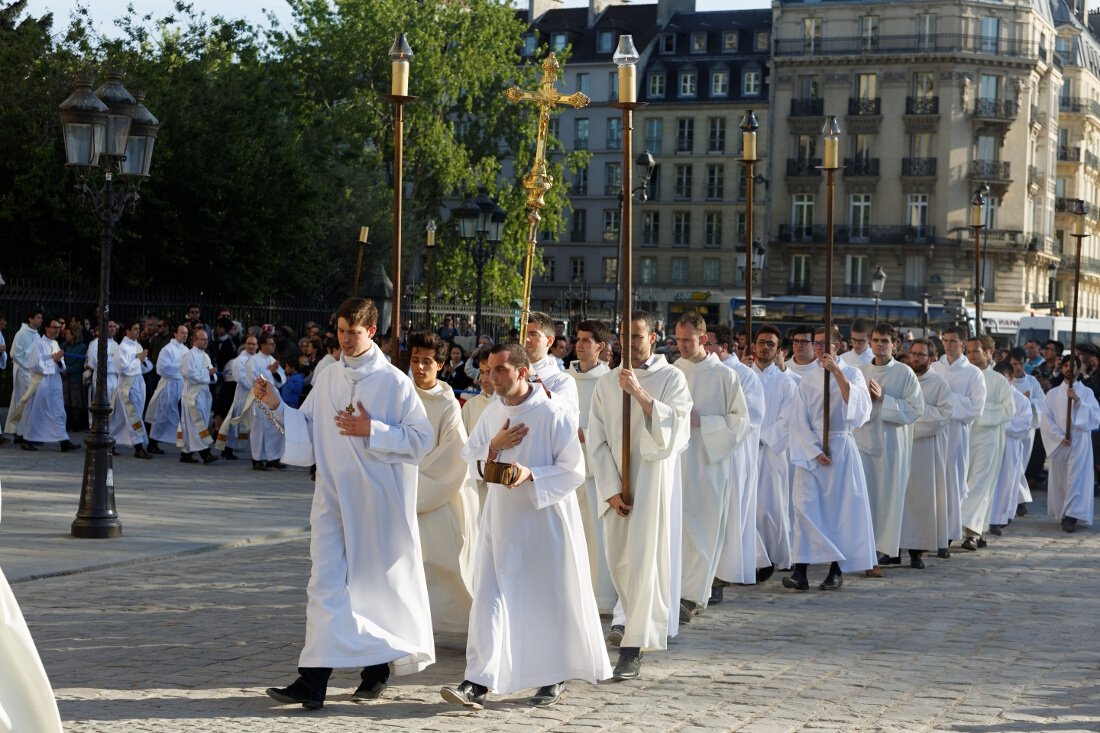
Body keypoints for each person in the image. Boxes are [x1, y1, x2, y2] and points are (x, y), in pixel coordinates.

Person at [256, 297, 435, 709]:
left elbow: (422, 440)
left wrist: (375, 429)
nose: (345, 340)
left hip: (377, 504)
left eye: (353, 332)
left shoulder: (394, 383)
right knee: (325, 586)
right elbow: (307, 425)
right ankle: (312, 681)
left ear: (372, 332)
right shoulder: (330, 376)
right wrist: (273, 403)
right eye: (340, 331)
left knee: (373, 591)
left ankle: (376, 671)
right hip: (333, 498)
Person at [440, 342, 608, 710]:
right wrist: (495, 448)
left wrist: (531, 474)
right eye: (488, 370)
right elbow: (472, 463)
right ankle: (477, 681)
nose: (491, 377)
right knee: (490, 597)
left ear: (522, 371)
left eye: (499, 370)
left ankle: (552, 674)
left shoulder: (554, 413)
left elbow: (574, 470)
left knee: (544, 596)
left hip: (544, 520)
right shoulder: (490, 412)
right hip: (501, 519)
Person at [587, 311, 691, 680]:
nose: (630, 342)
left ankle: (633, 647)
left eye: (637, 335)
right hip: (618, 488)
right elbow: (596, 440)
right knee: (620, 563)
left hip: (651, 482)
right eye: (624, 335)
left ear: (653, 337)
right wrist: (611, 489)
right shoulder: (605, 384)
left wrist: (641, 395)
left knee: (645, 563)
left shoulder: (671, 378)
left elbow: (677, 431)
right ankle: (632, 628)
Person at [783, 326, 876, 591]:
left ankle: (836, 569)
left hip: (840, 446)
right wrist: (813, 449)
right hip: (813, 450)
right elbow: (797, 420)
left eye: (826, 344)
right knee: (805, 508)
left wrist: (836, 372)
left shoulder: (852, 373)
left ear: (839, 346)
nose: (821, 348)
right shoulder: (808, 379)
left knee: (839, 512)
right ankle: (800, 571)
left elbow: (858, 407)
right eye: (818, 344)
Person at [672, 313, 749, 622]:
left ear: (703, 339)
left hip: (708, 463)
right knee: (677, 529)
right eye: (677, 340)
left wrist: (703, 422)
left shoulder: (724, 376)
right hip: (675, 460)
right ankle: (673, 589)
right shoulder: (672, 371)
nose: (681, 346)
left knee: (702, 531)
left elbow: (740, 421)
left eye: (687, 340)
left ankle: (692, 596)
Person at [407, 331, 477, 634]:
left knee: (444, 565)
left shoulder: (448, 404)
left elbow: (453, 455)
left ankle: (469, 624)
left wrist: (414, 483)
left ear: (440, 365)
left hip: (435, 493)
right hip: (399, 491)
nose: (419, 368)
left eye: (426, 362)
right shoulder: (400, 394)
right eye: (414, 361)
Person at [855, 324, 923, 573]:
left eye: (885, 341)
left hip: (892, 446)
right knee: (866, 501)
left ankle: (881, 551)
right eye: (876, 340)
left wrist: (885, 399)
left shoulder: (905, 374)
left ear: (895, 344)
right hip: (863, 443)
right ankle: (866, 554)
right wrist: (864, 400)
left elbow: (916, 409)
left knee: (887, 501)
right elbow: (849, 407)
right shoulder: (859, 372)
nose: (880, 345)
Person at [706, 324, 765, 593]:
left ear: (725, 348)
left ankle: (723, 572)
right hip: (704, 454)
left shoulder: (744, 376)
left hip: (734, 455)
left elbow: (749, 418)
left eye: (709, 344)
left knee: (730, 514)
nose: (704, 349)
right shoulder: (702, 371)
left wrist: (709, 425)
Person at [567, 319, 615, 613]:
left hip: (596, 469)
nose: (580, 345)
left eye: (587, 340)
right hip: (567, 467)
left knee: (597, 539)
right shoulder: (564, 379)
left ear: (600, 347)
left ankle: (601, 599)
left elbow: (617, 425)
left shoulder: (610, 381)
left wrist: (585, 433)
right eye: (578, 339)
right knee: (572, 536)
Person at [929, 326, 986, 556]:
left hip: (956, 433)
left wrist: (947, 401)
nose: (948, 344)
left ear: (963, 344)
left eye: (953, 341)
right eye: (945, 340)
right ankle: (931, 531)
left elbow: (976, 407)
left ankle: (950, 531)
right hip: (933, 431)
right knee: (932, 480)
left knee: (952, 480)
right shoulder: (933, 368)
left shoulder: (973, 374)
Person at [897, 340, 953, 568]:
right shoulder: (902, 379)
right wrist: (906, 415)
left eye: (921, 355)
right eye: (913, 354)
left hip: (926, 452)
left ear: (931, 358)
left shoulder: (940, 384)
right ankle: (891, 549)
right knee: (897, 499)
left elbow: (943, 416)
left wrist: (912, 414)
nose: (916, 358)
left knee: (922, 501)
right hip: (900, 448)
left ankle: (916, 550)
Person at [749, 324, 798, 577]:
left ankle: (770, 556)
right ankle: (752, 557)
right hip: (744, 451)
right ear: (753, 346)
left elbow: (788, 419)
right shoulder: (743, 377)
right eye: (761, 342)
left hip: (771, 454)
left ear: (779, 350)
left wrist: (763, 438)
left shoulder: (786, 383)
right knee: (746, 506)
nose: (765, 347)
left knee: (770, 508)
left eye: (770, 344)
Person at [958, 336, 1014, 551]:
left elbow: (1008, 410)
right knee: (961, 482)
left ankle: (971, 532)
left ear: (989, 352)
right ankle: (974, 527)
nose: (971, 356)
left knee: (980, 484)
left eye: (976, 351)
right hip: (963, 437)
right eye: (969, 351)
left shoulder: (998, 380)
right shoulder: (963, 377)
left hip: (988, 439)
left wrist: (977, 411)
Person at [1040, 356, 1100, 533]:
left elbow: (1096, 418)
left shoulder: (1087, 393)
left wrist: (1078, 401)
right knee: (1062, 479)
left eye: (1072, 366)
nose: (1068, 369)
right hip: (1061, 443)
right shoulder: (1052, 394)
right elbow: (1046, 419)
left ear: (1079, 368)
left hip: (1080, 441)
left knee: (1077, 478)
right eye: (1065, 366)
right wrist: (1059, 437)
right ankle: (1064, 512)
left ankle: (1072, 516)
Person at [13, 318, 80, 452]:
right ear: (47, 328)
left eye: (58, 327)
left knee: (59, 412)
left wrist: (59, 363)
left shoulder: (55, 344)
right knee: (38, 412)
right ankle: (27, 439)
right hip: (43, 383)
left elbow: (62, 365)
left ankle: (64, 441)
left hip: (55, 382)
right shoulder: (38, 344)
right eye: (54, 327)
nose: (57, 330)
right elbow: (36, 365)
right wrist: (53, 360)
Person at [988, 360, 1034, 532]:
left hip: (1010, 445)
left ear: (1011, 377)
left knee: (1006, 480)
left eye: (1003, 378)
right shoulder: (989, 395)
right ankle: (986, 516)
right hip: (991, 442)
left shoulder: (1021, 400)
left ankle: (999, 517)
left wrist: (1000, 421)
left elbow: (1023, 423)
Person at [110, 321, 154, 459]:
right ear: (127, 331)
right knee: (134, 416)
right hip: (127, 387)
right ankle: (139, 447)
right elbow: (122, 369)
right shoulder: (121, 348)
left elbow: (146, 367)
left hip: (138, 383)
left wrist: (143, 361)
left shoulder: (138, 345)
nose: (137, 331)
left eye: (138, 329)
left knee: (122, 419)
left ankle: (108, 442)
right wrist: (138, 361)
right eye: (134, 329)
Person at [145, 323, 189, 455]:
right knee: (161, 415)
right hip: (169, 386)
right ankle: (152, 442)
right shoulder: (167, 349)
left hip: (181, 386)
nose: (185, 335)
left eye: (186, 333)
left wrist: (181, 371)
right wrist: (180, 371)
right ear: (175, 334)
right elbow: (162, 368)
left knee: (182, 416)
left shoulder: (186, 350)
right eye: (182, 332)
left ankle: (185, 446)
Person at [177, 327, 219, 464]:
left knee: (193, 424)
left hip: (204, 394)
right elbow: (190, 375)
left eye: (207, 339)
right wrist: (208, 374)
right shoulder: (189, 356)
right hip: (192, 395)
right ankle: (205, 453)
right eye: (202, 339)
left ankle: (185, 453)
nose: (205, 342)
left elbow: (212, 374)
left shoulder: (205, 355)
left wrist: (212, 375)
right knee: (197, 423)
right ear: (194, 340)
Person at [525, 311, 579, 415]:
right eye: (523, 333)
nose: (526, 339)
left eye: (533, 334)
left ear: (549, 341)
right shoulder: (510, 372)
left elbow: (561, 416)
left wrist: (532, 378)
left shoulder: (563, 381)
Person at [214, 335, 258, 459]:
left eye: (253, 344)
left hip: (255, 396)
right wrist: (253, 386)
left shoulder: (257, 359)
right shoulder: (240, 360)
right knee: (235, 423)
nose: (251, 346)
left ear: (257, 346)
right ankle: (227, 449)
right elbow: (240, 378)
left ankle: (254, 450)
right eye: (249, 343)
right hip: (243, 395)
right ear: (245, 344)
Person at [4, 308, 43, 442]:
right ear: (30, 319)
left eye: (41, 318)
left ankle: (23, 432)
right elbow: (14, 353)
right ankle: (22, 433)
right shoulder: (21, 334)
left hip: (32, 372)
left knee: (28, 401)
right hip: (23, 371)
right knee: (23, 400)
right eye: (38, 317)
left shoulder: (37, 335)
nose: (40, 320)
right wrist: (28, 365)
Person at [461, 360, 495, 511]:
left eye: (489, 371)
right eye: (482, 372)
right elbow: (462, 446)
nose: (485, 378)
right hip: (475, 483)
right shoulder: (470, 406)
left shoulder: (513, 405)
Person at [249, 334, 286, 470]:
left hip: (273, 398)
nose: (273, 346)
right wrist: (269, 371)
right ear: (262, 345)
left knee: (275, 428)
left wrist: (275, 373)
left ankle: (273, 457)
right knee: (259, 430)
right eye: (271, 344)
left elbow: (282, 378)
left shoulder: (272, 359)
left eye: (274, 344)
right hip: (260, 398)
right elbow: (255, 378)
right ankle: (257, 458)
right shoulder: (254, 360)